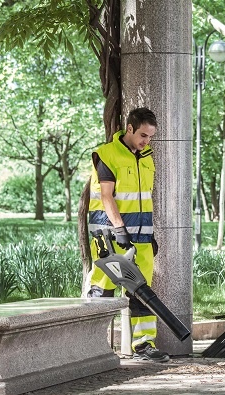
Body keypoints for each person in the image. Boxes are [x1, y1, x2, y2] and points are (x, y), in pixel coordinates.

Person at [86, 107, 168, 362]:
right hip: (109, 236)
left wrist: (149, 233)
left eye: (150, 137)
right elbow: (107, 197)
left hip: (141, 238)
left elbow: (144, 200)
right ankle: (91, 345)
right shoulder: (107, 155)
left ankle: (144, 345)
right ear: (129, 129)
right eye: (143, 135)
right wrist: (119, 229)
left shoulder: (146, 157)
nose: (146, 141)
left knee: (142, 291)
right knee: (103, 287)